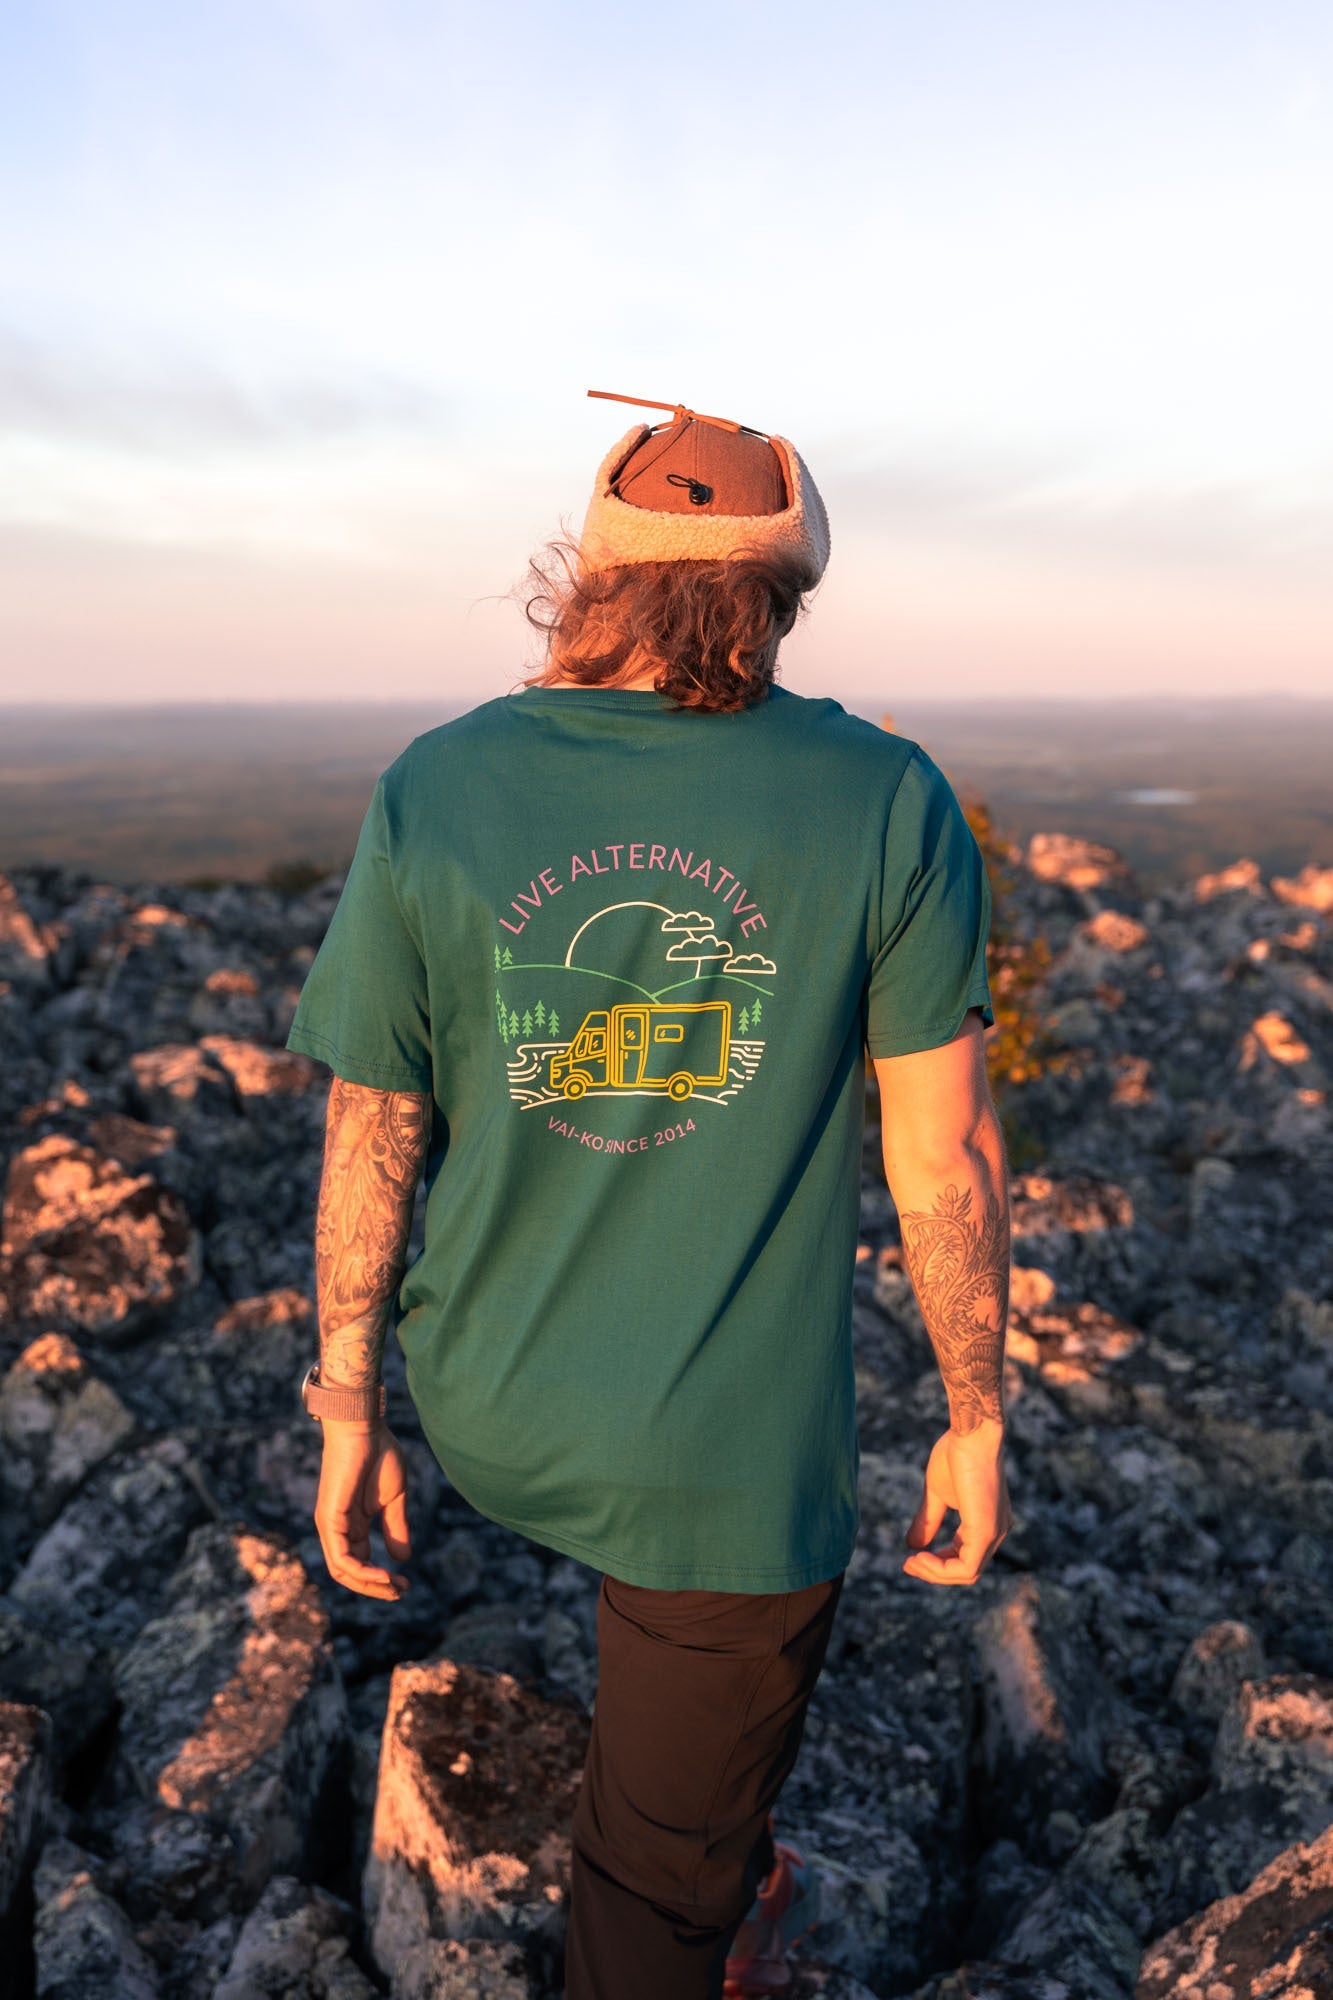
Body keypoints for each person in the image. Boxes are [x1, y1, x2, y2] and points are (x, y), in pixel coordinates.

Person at [286, 392, 1015, 2000]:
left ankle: (721, 1846)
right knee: (654, 1886)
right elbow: (943, 1155)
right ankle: (703, 1891)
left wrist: (348, 1405)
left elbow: (371, 1122)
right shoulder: (886, 797)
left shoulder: (436, 785)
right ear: (783, 593)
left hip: (487, 1398)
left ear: (592, 572)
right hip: (722, 1462)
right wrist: (974, 1412)